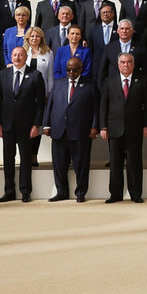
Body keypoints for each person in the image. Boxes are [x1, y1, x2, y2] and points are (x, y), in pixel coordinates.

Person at [97, 52, 147, 204]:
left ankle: (136, 194)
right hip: (114, 128)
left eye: (129, 62)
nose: (126, 65)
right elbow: (103, 106)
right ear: (118, 64)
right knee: (115, 163)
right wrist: (103, 126)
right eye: (123, 62)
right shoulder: (109, 81)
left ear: (133, 64)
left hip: (135, 128)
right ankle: (115, 194)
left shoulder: (142, 80)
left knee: (134, 162)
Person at [0, 46, 45, 203]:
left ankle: (25, 191)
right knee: (8, 159)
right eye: (14, 55)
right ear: (11, 56)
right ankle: (9, 191)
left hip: (27, 126)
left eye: (20, 55)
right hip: (8, 125)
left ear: (25, 57)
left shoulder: (35, 75)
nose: (17, 58)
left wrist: (37, 124)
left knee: (25, 159)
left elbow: (41, 103)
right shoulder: (3, 75)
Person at [45, 57, 97, 202]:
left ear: (81, 68)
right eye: (68, 69)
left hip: (80, 130)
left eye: (74, 69)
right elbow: (50, 105)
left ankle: (80, 193)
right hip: (59, 130)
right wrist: (47, 124)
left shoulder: (89, 84)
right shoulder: (58, 83)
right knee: (59, 164)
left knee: (81, 164)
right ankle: (61, 191)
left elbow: (95, 108)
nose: (71, 72)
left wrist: (94, 126)